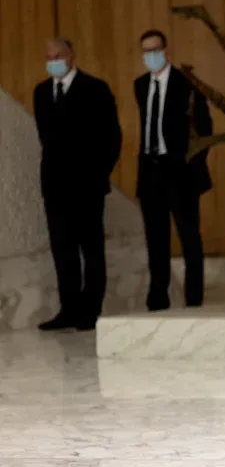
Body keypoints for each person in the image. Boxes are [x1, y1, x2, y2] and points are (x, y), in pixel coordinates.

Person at [33, 38, 122, 331]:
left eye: (58, 55)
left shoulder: (96, 89)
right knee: (63, 250)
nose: (53, 61)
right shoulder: (42, 92)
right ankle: (68, 310)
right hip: (55, 187)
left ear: (71, 55)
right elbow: (47, 138)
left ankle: (89, 311)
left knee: (91, 250)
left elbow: (112, 138)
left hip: (87, 187)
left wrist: (97, 175)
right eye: (49, 57)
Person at [134, 29, 213, 311]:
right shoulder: (140, 85)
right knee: (156, 238)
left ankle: (194, 298)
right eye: (146, 51)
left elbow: (205, 130)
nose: (151, 56)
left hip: (180, 171)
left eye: (155, 50)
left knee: (189, 235)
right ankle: (158, 296)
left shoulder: (187, 84)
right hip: (151, 170)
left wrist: (191, 165)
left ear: (166, 51)